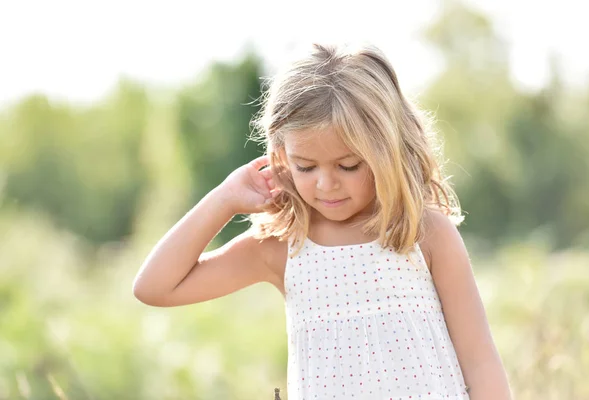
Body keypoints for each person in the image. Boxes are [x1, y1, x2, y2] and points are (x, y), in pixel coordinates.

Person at [133, 43, 512, 399]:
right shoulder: (285, 246)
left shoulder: (425, 234)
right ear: (281, 156)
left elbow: (479, 360)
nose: (326, 183)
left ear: (387, 152)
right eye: (306, 166)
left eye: (348, 166)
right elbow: (154, 287)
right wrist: (224, 199)